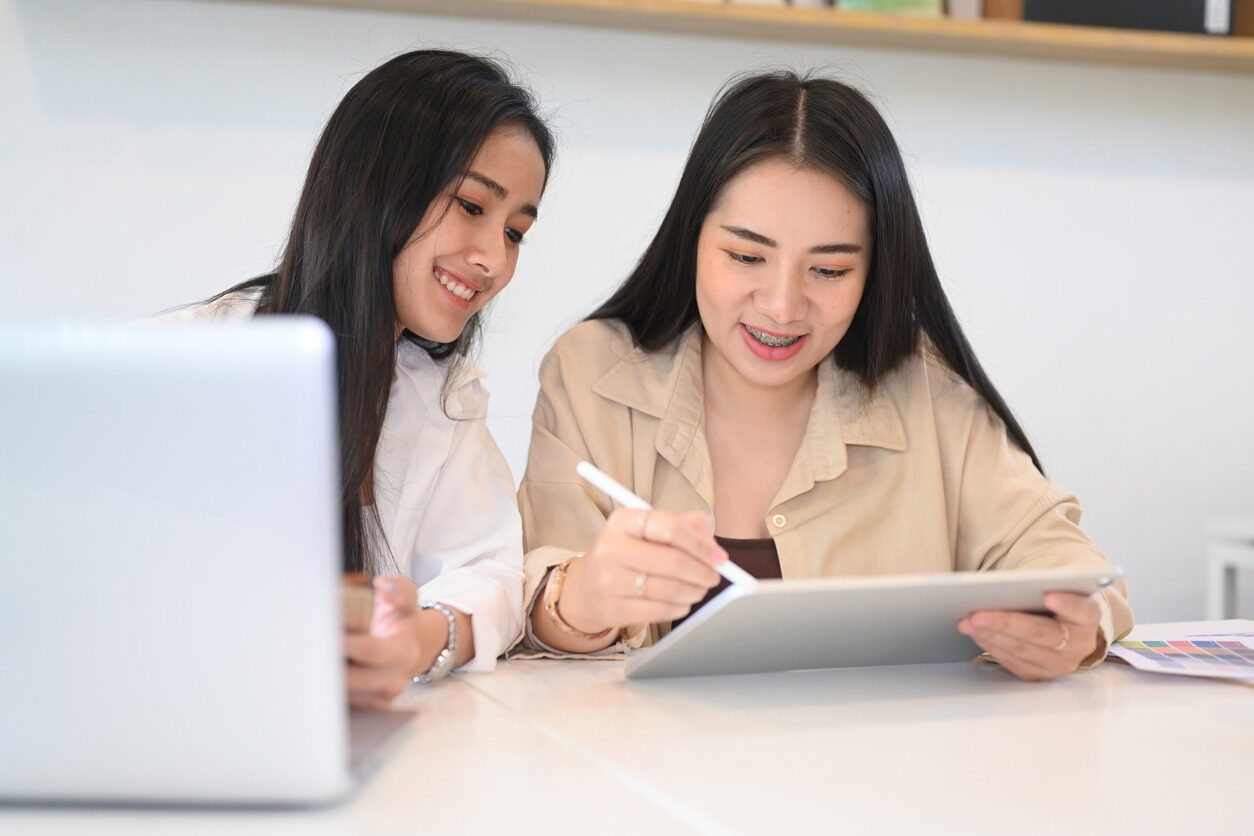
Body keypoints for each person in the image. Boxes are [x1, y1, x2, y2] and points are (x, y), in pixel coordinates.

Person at [518, 70, 1131, 681]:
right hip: (640, 767)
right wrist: (582, 600)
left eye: (830, 271)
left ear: (875, 272)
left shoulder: (927, 389)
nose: (782, 307)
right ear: (691, 238)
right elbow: (534, 601)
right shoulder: (590, 371)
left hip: (879, 768)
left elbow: (1068, 564)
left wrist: (1075, 627)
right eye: (746, 257)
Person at [160, 50, 554, 705]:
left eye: (515, 232)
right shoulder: (184, 363)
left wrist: (427, 636)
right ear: (379, 183)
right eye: (471, 206)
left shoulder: (443, 398)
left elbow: (491, 575)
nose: (492, 259)